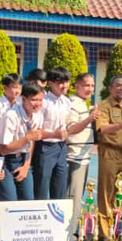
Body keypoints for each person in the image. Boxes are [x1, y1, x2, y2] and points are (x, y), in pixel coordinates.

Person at [95, 76, 122, 240]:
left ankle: (116, 228)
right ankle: (104, 233)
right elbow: (102, 128)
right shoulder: (104, 106)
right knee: (106, 193)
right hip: (109, 152)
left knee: (119, 192)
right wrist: (121, 125)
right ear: (111, 88)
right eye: (119, 86)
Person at [0, 82, 44, 201]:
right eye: (34, 100)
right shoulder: (11, 116)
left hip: (23, 160)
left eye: (40, 100)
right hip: (5, 161)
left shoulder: (37, 115)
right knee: (9, 201)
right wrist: (27, 138)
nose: (37, 104)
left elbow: (31, 142)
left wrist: (26, 166)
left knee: (28, 200)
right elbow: (3, 149)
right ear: (23, 99)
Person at [65, 73, 99, 224]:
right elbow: (71, 129)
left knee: (78, 196)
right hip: (74, 157)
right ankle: (69, 235)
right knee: (73, 196)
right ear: (77, 86)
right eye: (86, 85)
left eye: (92, 85)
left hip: (84, 157)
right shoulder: (73, 103)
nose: (90, 89)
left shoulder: (85, 103)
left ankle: (73, 232)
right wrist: (90, 119)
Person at [34, 67, 71, 200]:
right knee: (42, 187)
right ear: (50, 83)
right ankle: (40, 217)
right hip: (45, 148)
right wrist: (54, 134)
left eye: (66, 81)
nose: (64, 85)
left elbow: (67, 125)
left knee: (60, 186)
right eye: (60, 82)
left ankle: (58, 218)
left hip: (61, 148)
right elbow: (36, 131)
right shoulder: (43, 102)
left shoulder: (67, 102)